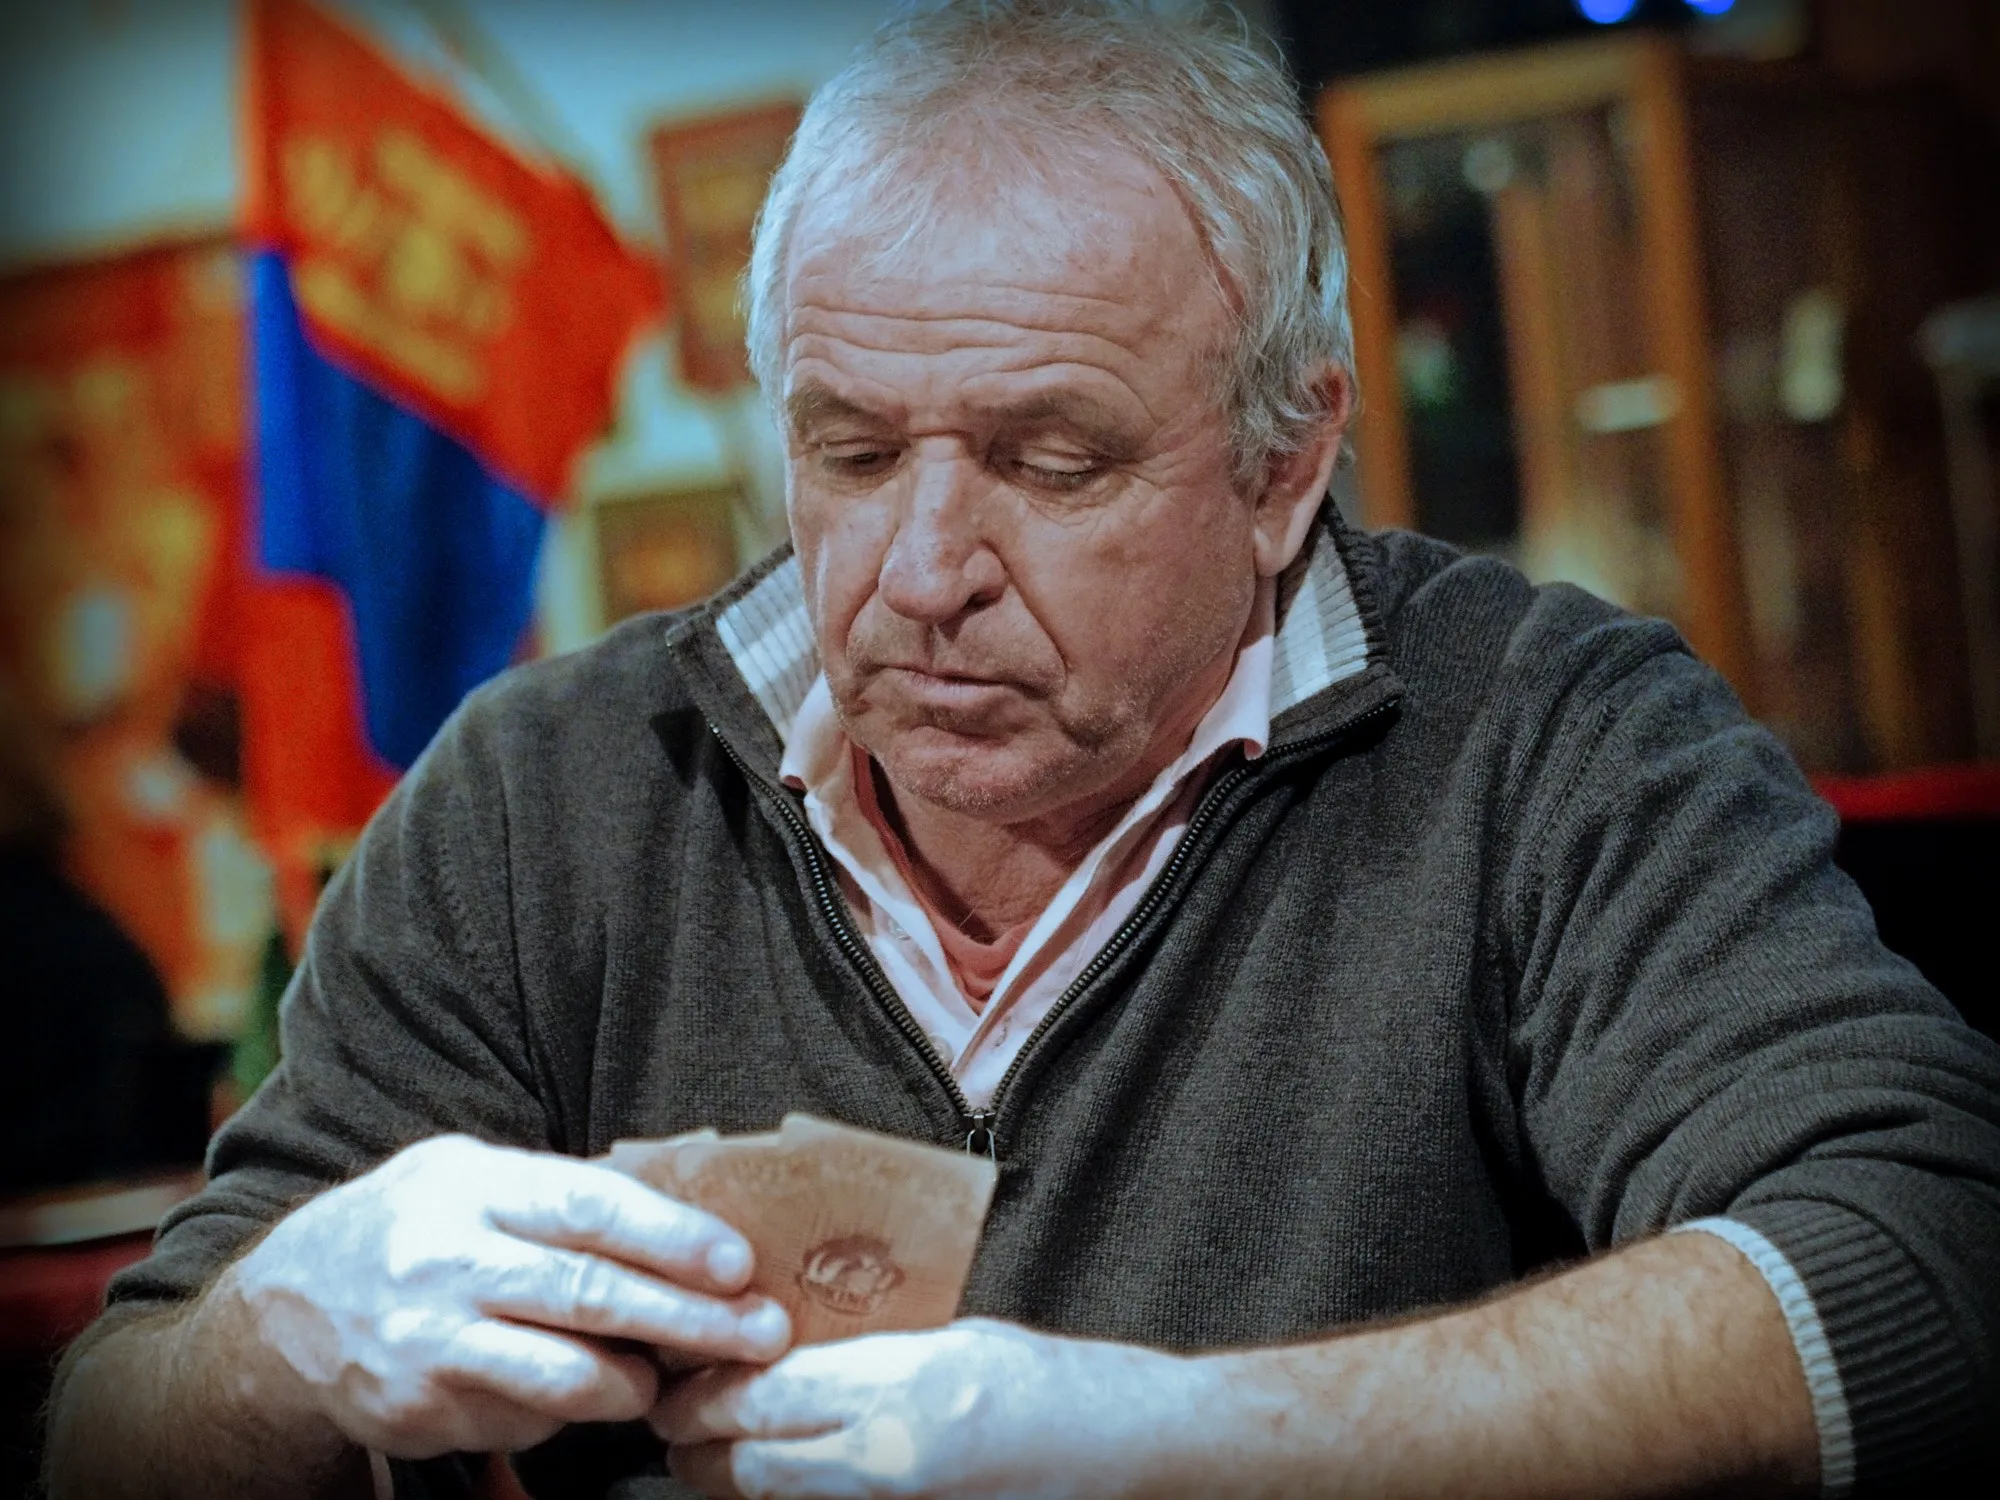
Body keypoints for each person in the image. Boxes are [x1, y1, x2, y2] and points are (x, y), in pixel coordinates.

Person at [46, 4, 2000, 1496]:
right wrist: (274, 1338)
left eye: (1050, 460)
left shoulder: (1545, 739)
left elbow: (1924, 1261)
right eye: (848, 450)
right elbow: (106, 1433)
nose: (919, 574)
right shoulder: (542, 798)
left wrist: (1172, 1446)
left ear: (1285, 461)